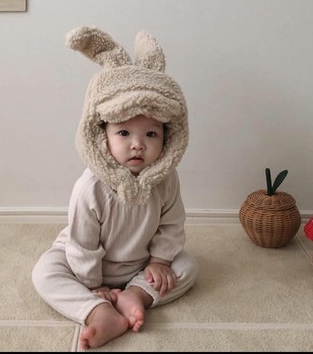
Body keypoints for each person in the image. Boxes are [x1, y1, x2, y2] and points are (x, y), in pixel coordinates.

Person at [31, 26, 198, 350]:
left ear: (168, 137)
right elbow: (81, 243)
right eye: (124, 133)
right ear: (101, 135)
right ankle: (97, 310)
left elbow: (172, 225)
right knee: (44, 272)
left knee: (187, 266)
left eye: (151, 134)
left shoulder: (166, 179)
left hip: (140, 264)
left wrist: (159, 262)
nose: (138, 144)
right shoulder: (90, 186)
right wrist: (92, 285)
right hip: (82, 265)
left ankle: (135, 294)